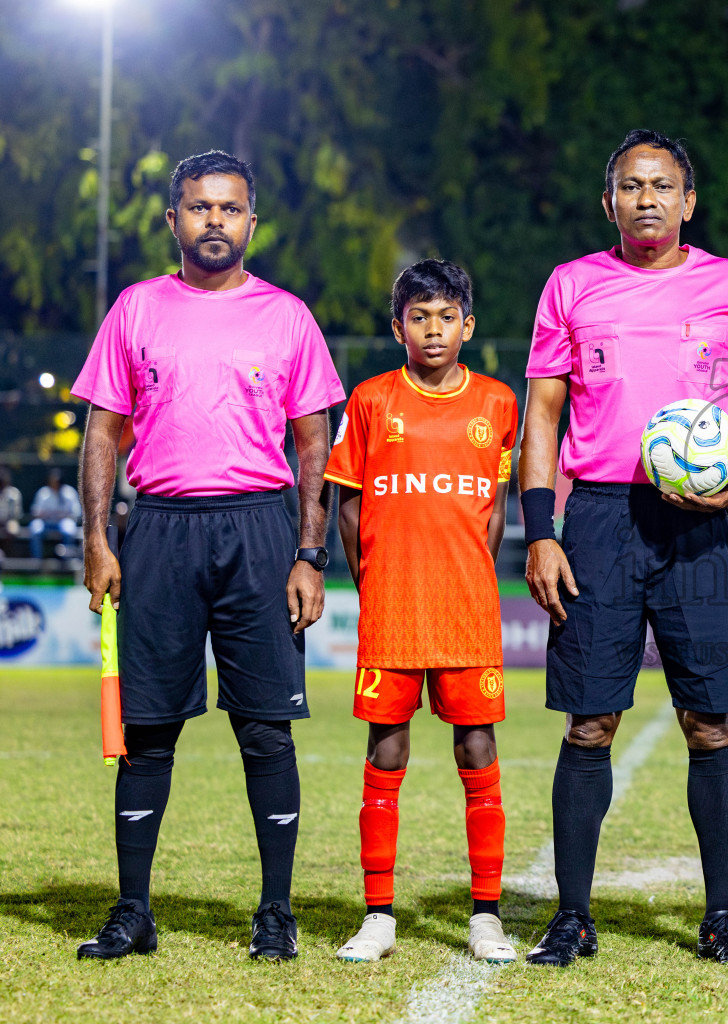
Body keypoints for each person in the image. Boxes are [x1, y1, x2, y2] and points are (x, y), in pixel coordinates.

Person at [72, 150, 343, 961]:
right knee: (148, 732)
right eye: (199, 208)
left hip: (260, 531)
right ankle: (132, 912)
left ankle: (276, 911)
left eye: (229, 208)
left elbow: (313, 443)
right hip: (158, 529)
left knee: (266, 730)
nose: (214, 220)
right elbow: (102, 432)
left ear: (251, 221)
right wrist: (97, 536)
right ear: (174, 220)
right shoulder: (135, 308)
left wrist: (309, 551)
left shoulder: (287, 316)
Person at [519, 129, 728, 966]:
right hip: (598, 518)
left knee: (711, 723)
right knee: (590, 722)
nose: (646, 199)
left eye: (661, 186)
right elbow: (544, 416)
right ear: (610, 202)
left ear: (688, 201)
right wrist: (540, 531)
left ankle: (723, 918)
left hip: (698, 526)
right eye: (630, 186)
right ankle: (572, 917)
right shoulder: (572, 285)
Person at [325, 260, 519, 964]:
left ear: (468, 325)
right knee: (387, 748)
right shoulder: (372, 399)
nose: (432, 329)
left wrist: (472, 570)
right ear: (398, 326)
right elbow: (347, 505)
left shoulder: (498, 402)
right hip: (392, 606)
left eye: (445, 317)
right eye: (418, 317)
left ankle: (487, 915)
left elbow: (492, 512)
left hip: (467, 607)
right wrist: (372, 580)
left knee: (477, 749)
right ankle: (379, 914)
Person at [28, 467, 82, 560]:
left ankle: (67, 560)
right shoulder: (43, 492)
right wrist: (46, 514)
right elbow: (35, 512)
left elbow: (76, 512)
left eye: (56, 480)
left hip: (63, 522)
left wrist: (63, 515)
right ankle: (36, 560)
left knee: (68, 530)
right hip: (46, 523)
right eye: (52, 480)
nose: (54, 483)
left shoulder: (69, 492)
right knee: (35, 528)